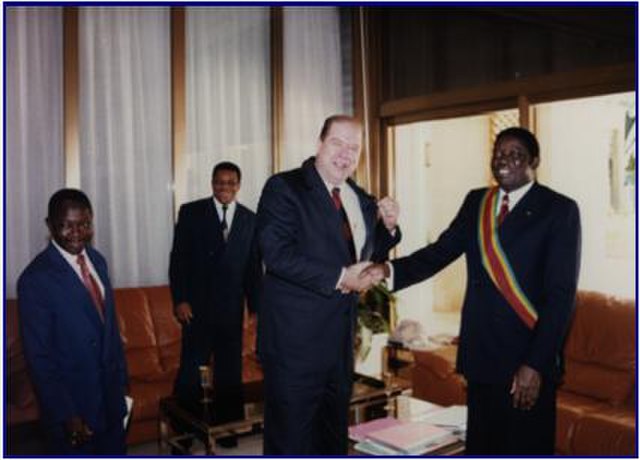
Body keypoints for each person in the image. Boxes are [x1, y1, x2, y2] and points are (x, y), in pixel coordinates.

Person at [363, 127, 582, 455]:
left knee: (526, 448)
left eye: (515, 154)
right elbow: (440, 252)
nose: (504, 160)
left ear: (534, 161)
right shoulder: (478, 201)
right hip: (482, 356)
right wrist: (388, 269)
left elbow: (561, 296)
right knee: (482, 448)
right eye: (499, 153)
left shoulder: (559, 209)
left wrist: (534, 364)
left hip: (526, 358)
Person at [256, 114, 401, 455]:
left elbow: (365, 254)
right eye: (337, 143)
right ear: (319, 143)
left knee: (332, 438)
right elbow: (276, 254)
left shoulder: (362, 198)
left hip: (339, 344)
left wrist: (389, 228)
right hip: (294, 345)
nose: (345, 154)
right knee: (290, 440)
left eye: (354, 147)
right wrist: (340, 278)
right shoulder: (284, 187)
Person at [18, 189, 129, 455]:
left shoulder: (98, 261)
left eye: (84, 224)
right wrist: (66, 413)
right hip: (75, 408)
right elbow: (39, 358)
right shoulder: (36, 279)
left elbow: (109, 331)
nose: (77, 232)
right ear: (49, 225)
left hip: (111, 399)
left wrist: (123, 383)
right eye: (66, 225)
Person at [169, 161, 261, 447]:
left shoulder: (250, 219)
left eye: (231, 183)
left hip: (231, 311)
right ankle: (182, 433)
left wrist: (255, 309)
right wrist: (180, 300)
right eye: (219, 182)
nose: (225, 187)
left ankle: (227, 430)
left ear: (238, 186)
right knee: (189, 372)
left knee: (230, 373)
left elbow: (253, 269)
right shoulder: (191, 212)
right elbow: (178, 260)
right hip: (196, 309)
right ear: (212, 184)